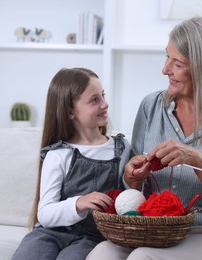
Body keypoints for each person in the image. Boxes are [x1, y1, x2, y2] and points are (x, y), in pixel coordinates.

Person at [86, 16, 202, 260]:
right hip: (153, 230)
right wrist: (132, 177)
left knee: (142, 258)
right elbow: (131, 193)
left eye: (177, 63)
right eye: (166, 56)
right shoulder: (151, 106)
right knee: (100, 255)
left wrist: (198, 160)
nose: (165, 69)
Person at [12, 68, 131, 260]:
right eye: (94, 100)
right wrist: (78, 203)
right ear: (70, 112)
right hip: (49, 233)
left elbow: (129, 195)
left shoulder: (121, 148)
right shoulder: (58, 154)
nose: (105, 103)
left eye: (103, 95)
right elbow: (45, 214)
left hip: (92, 237)